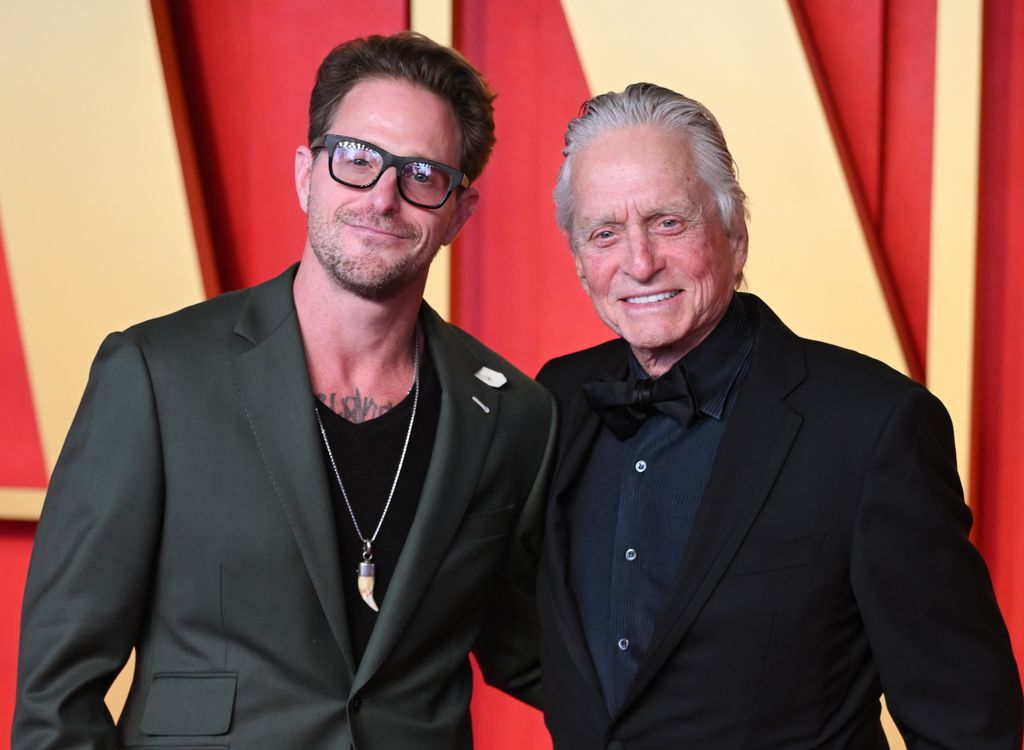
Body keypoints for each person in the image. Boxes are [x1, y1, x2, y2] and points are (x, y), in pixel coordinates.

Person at [13, 32, 554, 750]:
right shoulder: (154, 375)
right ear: (307, 173)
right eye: (356, 159)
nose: (383, 198)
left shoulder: (511, 413)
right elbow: (57, 697)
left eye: (422, 174)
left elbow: (544, 654)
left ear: (458, 212)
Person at [536, 82, 1022, 749]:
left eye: (669, 221)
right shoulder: (556, 401)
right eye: (606, 233)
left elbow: (966, 724)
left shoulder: (873, 427)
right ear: (580, 260)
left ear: (735, 234)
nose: (639, 262)